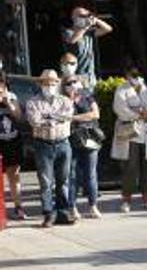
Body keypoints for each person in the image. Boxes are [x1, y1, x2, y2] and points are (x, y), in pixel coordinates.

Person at [112, 66, 147, 213]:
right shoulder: (121, 89)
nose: (136, 76)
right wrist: (139, 114)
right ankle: (126, 200)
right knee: (130, 168)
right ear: (127, 74)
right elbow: (120, 109)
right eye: (133, 74)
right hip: (131, 134)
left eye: (139, 74)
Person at [26, 69, 74, 227]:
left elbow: (67, 116)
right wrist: (54, 118)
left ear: (57, 83)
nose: (50, 85)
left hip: (63, 143)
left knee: (63, 180)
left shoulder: (65, 100)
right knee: (46, 182)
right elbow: (34, 121)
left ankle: (63, 212)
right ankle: (48, 213)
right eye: (46, 82)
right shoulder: (32, 102)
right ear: (41, 84)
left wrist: (47, 117)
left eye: (53, 82)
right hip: (43, 144)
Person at [66, 74, 103, 218]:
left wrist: (75, 118)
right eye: (69, 83)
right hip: (71, 138)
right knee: (72, 174)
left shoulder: (88, 96)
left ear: (80, 83)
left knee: (90, 173)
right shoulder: (63, 99)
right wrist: (70, 99)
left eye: (75, 82)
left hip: (89, 137)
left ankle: (93, 206)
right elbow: (63, 116)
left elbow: (95, 114)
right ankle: (72, 207)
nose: (72, 84)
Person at [62, 5, 113, 87]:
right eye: (81, 16)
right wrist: (86, 26)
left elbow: (108, 29)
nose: (84, 18)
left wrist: (96, 20)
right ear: (73, 17)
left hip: (90, 75)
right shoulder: (67, 31)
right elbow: (72, 40)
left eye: (86, 15)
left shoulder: (89, 32)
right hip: (75, 75)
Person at [0, 73, 24, 220]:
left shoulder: (11, 96)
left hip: (13, 141)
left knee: (14, 175)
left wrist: (8, 102)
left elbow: (18, 116)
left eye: (1, 86)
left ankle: (18, 206)